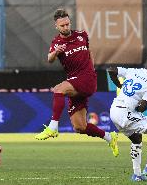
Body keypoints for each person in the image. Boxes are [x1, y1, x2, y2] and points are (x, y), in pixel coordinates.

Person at [35, 9, 118, 157]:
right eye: (62, 25)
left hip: (86, 78)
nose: (66, 27)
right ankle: (109, 137)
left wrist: (92, 70)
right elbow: (49, 59)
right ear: (56, 26)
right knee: (80, 126)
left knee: (59, 89)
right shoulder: (56, 43)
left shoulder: (82, 35)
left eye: (67, 24)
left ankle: (53, 127)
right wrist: (56, 52)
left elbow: (89, 52)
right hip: (75, 81)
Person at [107, 55, 147, 181]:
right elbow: (143, 107)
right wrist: (138, 106)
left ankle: (137, 175)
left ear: (146, 65)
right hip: (126, 113)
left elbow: (111, 69)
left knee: (136, 139)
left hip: (114, 110)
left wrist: (119, 85)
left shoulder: (133, 71)